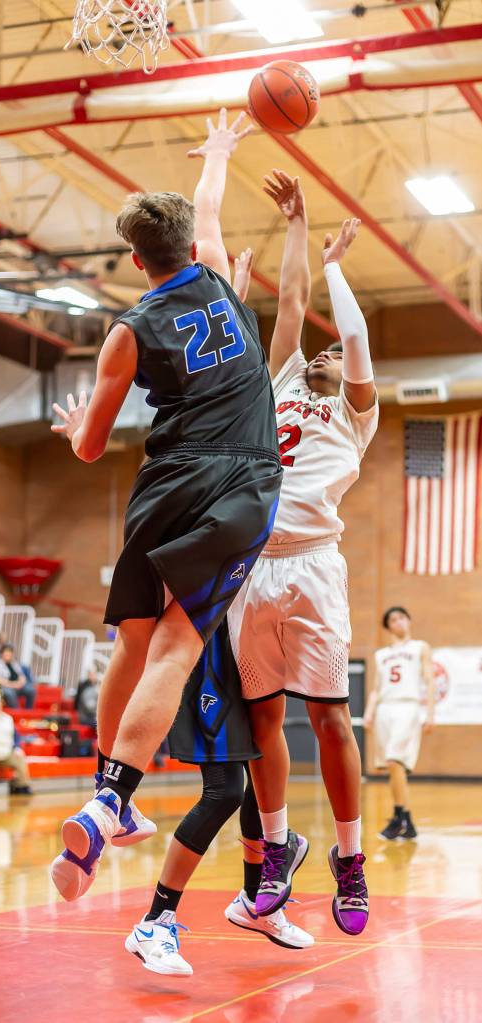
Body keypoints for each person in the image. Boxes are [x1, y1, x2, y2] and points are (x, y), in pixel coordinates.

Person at [50, 108, 282, 903]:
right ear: (188, 246)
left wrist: (74, 427)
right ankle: (109, 800)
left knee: (133, 641)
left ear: (136, 258)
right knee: (177, 649)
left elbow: (90, 448)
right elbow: (208, 206)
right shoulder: (215, 272)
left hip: (163, 483)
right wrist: (218, 151)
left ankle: (105, 793)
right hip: (238, 483)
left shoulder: (127, 329)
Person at [125, 141, 312, 976]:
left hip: (255, 600)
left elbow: (290, 305)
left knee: (259, 777)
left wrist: (291, 231)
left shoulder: (267, 387)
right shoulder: (228, 392)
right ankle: (157, 919)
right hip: (211, 607)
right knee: (226, 786)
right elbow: (259, 289)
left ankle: (257, 900)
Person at [228, 178, 379, 938]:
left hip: (315, 561)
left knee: (328, 718)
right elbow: (289, 303)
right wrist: (295, 224)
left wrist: (336, 265)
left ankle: (349, 861)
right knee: (263, 718)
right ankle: (277, 850)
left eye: (332, 353)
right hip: (255, 565)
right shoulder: (282, 378)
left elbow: (352, 336)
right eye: (319, 350)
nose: (323, 352)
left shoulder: (355, 412)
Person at [364, 606, 435, 840]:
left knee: (395, 759)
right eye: (393, 620)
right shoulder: (381, 655)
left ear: (409, 621)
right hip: (385, 708)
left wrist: (430, 713)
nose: (399, 622)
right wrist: (369, 712)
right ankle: (406, 820)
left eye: (402, 617)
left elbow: (429, 680)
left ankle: (399, 817)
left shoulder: (420, 647)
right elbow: (376, 688)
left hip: (408, 706)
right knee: (394, 767)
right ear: (388, 626)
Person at [0, 691, 32, 794]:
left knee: (20, 755)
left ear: (1, 706)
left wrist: (17, 747)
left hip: (6, 753)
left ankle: (22, 786)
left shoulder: (7, 719)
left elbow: (16, 737)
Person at [0, 644, 36, 709]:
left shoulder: (14, 663)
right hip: (3, 687)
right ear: (2, 653)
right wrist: (11, 684)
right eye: (6, 652)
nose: (8, 655)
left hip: (17, 686)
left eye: (10, 653)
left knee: (30, 690)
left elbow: (22, 676)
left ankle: (29, 710)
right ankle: (16, 711)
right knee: (9, 693)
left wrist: (20, 683)